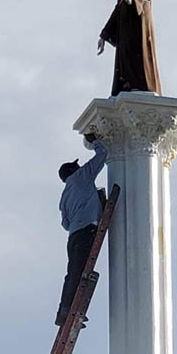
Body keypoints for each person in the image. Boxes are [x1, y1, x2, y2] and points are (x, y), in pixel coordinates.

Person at [56, 133, 107, 326]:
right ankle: (69, 310)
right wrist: (95, 142)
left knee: (74, 272)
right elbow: (102, 155)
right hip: (87, 231)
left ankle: (65, 309)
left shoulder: (65, 195)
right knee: (80, 272)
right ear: (73, 170)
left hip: (74, 236)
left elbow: (66, 224)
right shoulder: (81, 177)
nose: (79, 166)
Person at [97, 0, 161, 96]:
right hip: (126, 23)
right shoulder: (124, 1)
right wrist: (104, 34)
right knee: (126, 57)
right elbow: (118, 8)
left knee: (140, 55)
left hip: (139, 20)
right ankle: (128, 84)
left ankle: (140, 85)